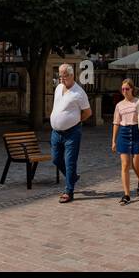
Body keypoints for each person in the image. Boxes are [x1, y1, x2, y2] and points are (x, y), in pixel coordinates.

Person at [50, 64, 91, 202]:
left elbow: (88, 112)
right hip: (56, 132)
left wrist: (75, 121)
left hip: (72, 133)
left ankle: (69, 191)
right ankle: (72, 177)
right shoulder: (58, 88)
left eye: (64, 76)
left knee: (70, 162)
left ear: (72, 75)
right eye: (59, 76)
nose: (61, 79)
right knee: (56, 159)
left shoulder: (79, 93)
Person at [111, 79, 139, 204]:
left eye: (127, 89)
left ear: (132, 89)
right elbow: (116, 123)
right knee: (124, 165)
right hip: (123, 134)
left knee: (136, 164)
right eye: (122, 89)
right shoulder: (119, 105)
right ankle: (127, 194)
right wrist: (113, 141)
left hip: (136, 133)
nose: (125, 91)